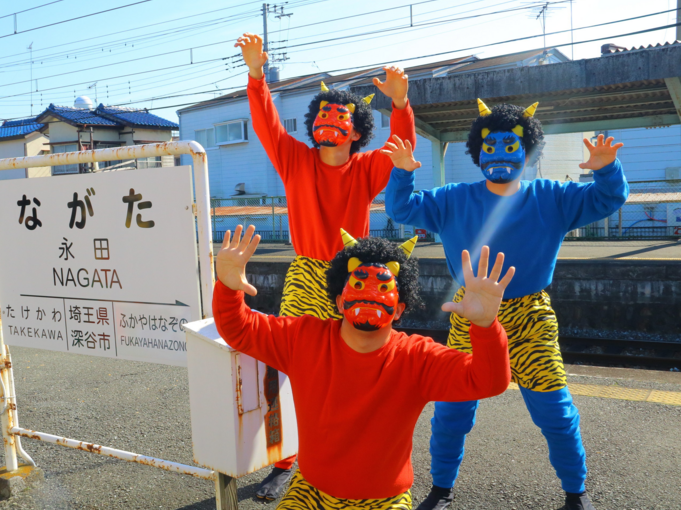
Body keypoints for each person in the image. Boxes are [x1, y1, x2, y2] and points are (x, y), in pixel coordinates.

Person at [382, 99, 629, 510]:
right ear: (478, 152)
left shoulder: (552, 196)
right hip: (469, 313)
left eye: (510, 145)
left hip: (530, 315)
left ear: (527, 150)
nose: (499, 154)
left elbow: (607, 199)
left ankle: (576, 493)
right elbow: (401, 208)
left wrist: (606, 168)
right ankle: (441, 489)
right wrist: (403, 172)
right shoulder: (453, 199)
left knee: (555, 412)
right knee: (452, 411)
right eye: (490, 146)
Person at [213, 224, 515, 510]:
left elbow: (487, 380)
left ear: (399, 309)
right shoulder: (303, 338)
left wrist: (486, 326)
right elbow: (240, 329)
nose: (370, 294)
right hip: (311, 489)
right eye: (358, 284)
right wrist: (227, 286)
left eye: (383, 287)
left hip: (385, 499)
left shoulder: (416, 356)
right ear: (340, 301)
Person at [235, 32, 417, 498]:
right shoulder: (294, 158)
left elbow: (401, 150)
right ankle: (286, 461)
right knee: (288, 366)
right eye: (323, 115)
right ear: (313, 124)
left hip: (353, 279)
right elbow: (266, 125)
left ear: (356, 130)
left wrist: (401, 103)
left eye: (340, 117)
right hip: (305, 272)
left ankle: (342, 457)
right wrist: (256, 75)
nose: (328, 122)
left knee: (353, 370)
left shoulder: (367, 167)